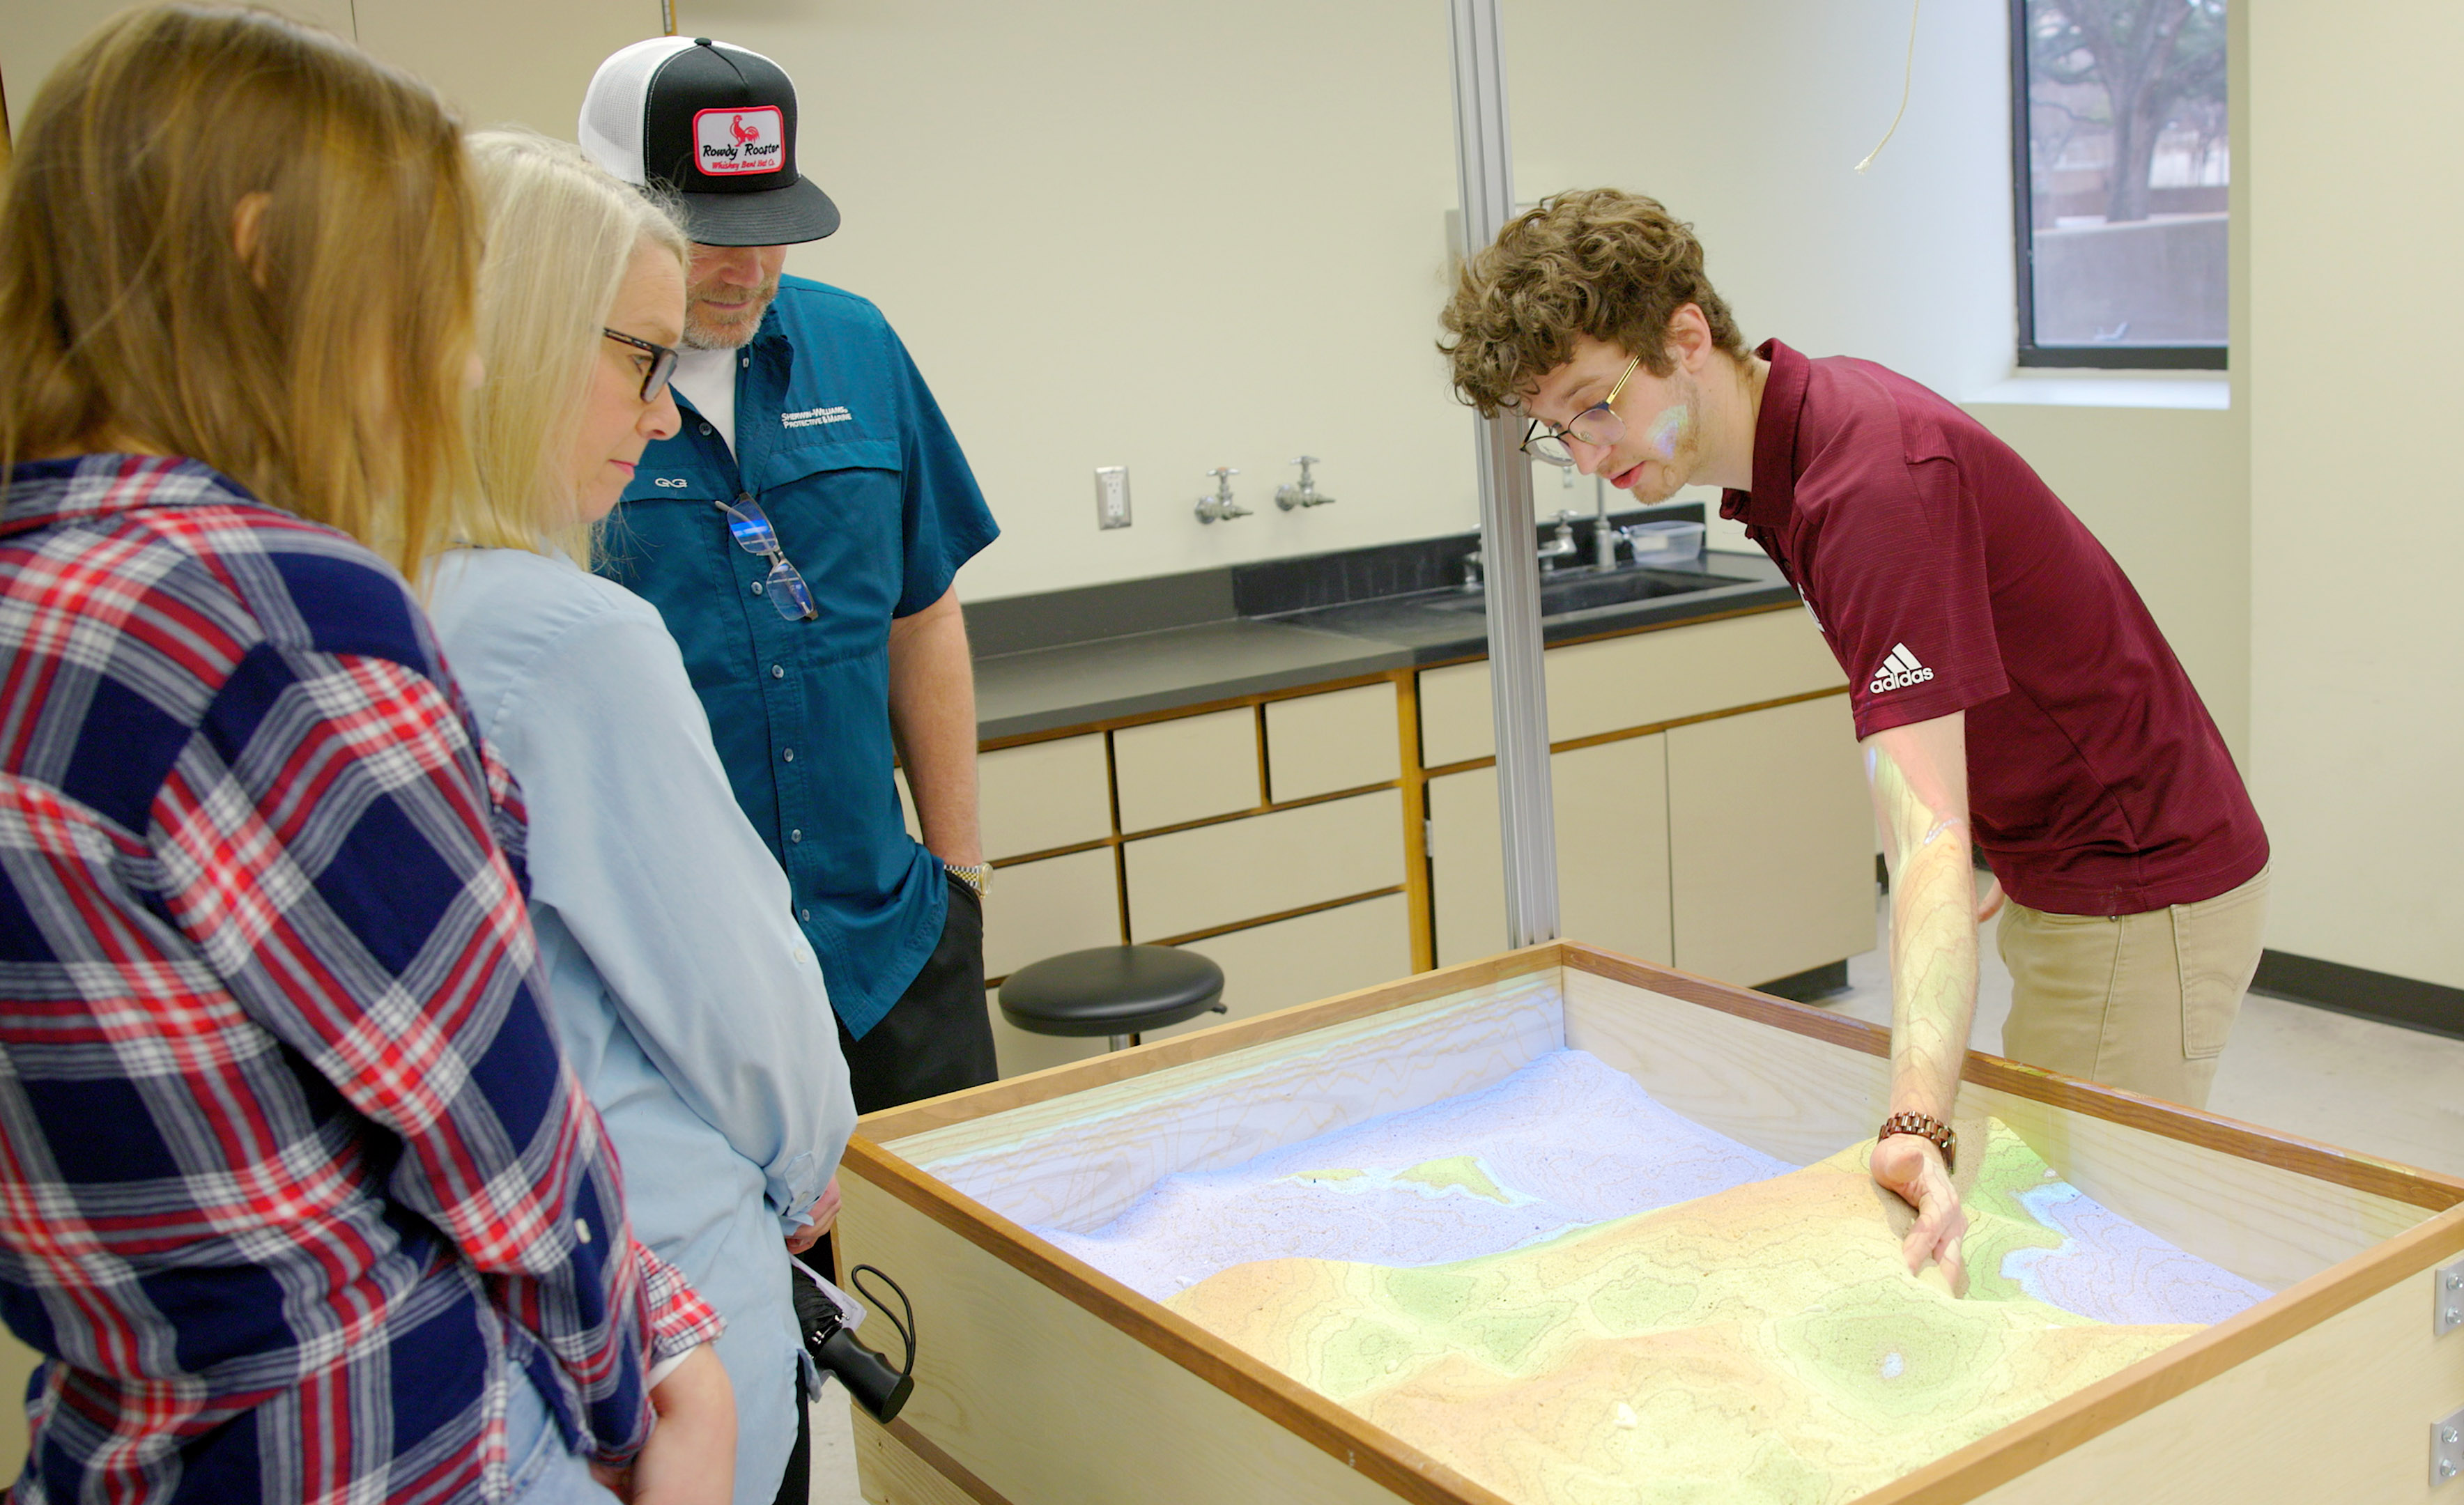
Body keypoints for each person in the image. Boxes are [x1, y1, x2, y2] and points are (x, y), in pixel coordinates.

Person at [0, 9, 740, 1504]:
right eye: (430, 288)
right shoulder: (271, 627)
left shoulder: (41, 588)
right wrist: (653, 1393)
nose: (461, 354)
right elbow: (506, 1143)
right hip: (387, 1446)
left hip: (122, 1437)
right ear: (272, 254)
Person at [1439, 189, 2270, 1288]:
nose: (1588, 455)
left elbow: (1922, 829)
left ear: (1686, 338)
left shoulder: (1868, 482)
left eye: (1598, 405)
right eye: (1561, 428)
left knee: (2096, 1275)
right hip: (2074, 855)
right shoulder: (1804, 448)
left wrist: (1918, 1121)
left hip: (2135, 882)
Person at [424, 129, 858, 1505]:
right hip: (663, 1347)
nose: (662, 416)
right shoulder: (557, 636)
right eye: (640, 362)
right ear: (523, 339)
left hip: (475, 1355)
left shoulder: (344, 598)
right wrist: (809, 1173)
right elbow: (740, 1005)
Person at [573, 36, 1001, 1117]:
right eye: (710, 236)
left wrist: (959, 878)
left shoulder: (856, 345)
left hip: (891, 942)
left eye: (772, 232)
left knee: (947, 1274)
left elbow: (924, 611)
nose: (748, 269)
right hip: (675, 979)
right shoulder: (549, 396)